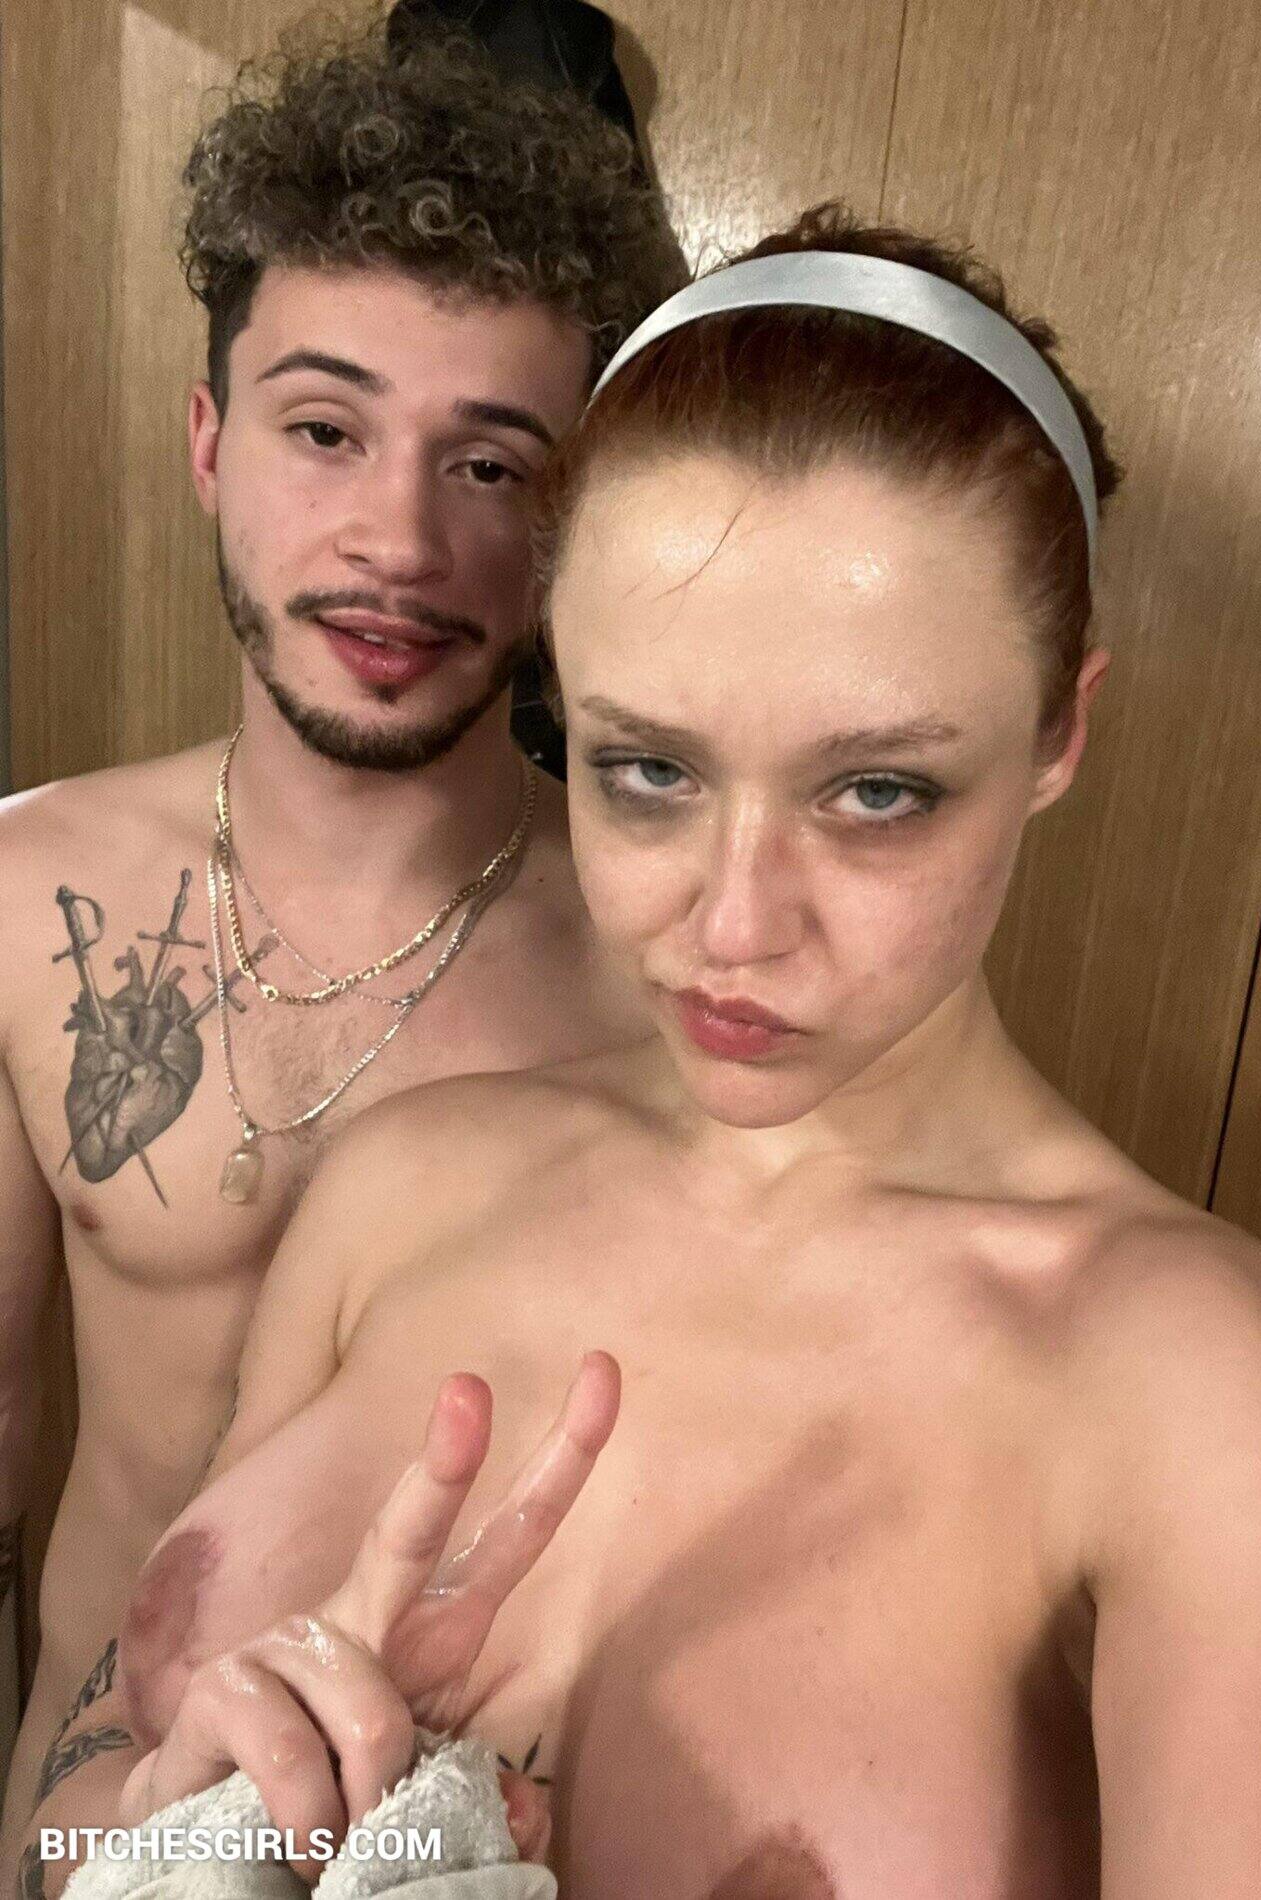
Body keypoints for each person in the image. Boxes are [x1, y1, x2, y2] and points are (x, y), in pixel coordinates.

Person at [24, 207, 1261, 1899]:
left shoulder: (1209, 1404)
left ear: (1057, 730)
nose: (733, 925)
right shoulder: (402, 1186)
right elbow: (68, 1817)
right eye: (649, 772)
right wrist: (158, 1834)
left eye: (876, 791)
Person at [0, 15, 685, 1861]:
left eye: (492, 466)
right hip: (77, 1835)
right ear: (209, 443)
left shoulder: (667, 986)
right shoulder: (21, 895)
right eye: (324, 428)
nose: (398, 537)